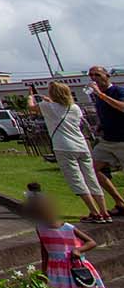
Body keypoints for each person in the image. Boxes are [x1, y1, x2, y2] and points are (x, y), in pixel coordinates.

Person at [31, 82, 110, 222]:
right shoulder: (75, 108)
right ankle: (104, 212)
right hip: (81, 145)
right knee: (91, 178)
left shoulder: (47, 107)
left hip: (63, 146)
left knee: (76, 180)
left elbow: (31, 108)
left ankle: (95, 213)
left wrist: (30, 96)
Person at [28, 187, 107, 288]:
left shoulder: (68, 228)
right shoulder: (40, 229)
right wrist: (44, 270)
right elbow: (45, 250)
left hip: (73, 267)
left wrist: (78, 250)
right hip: (55, 270)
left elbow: (91, 242)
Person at [85, 64, 124, 218]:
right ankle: (120, 202)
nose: (94, 78)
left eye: (97, 75)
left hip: (122, 140)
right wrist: (100, 126)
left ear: (106, 75)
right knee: (91, 169)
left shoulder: (117, 91)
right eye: (91, 75)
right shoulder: (98, 96)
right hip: (107, 140)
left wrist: (101, 95)